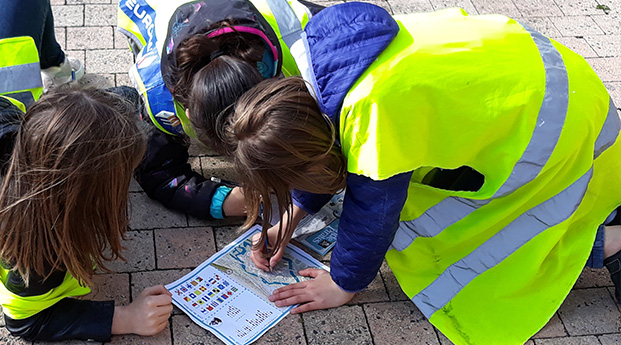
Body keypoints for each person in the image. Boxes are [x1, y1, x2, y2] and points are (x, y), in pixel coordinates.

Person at [214, 3, 621, 345]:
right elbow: (320, 149)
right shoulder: (318, 75)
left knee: (488, 238)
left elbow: (373, 211)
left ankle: (612, 243)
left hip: (553, 119)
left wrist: (341, 283)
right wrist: (291, 217)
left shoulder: (374, 115)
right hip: (546, 75)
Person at [0, 0, 172, 342]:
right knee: (128, 101)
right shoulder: (43, 254)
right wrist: (126, 318)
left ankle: (56, 65)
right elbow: (27, 324)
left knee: (125, 99)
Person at [117, 0, 323, 220]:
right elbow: (159, 174)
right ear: (188, 115)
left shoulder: (306, 44)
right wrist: (225, 201)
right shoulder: (160, 100)